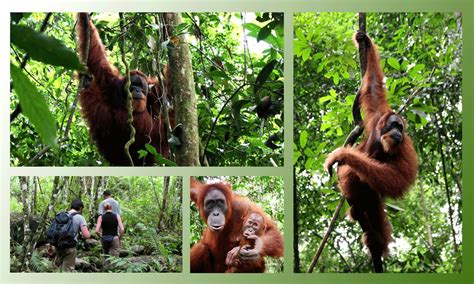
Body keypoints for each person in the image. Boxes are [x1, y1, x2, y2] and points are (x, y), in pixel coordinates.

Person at [52, 199, 91, 272]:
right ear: (80, 208)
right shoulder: (80, 217)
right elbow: (86, 235)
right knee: (67, 270)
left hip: (58, 245)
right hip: (69, 246)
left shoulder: (61, 215)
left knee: (59, 267)